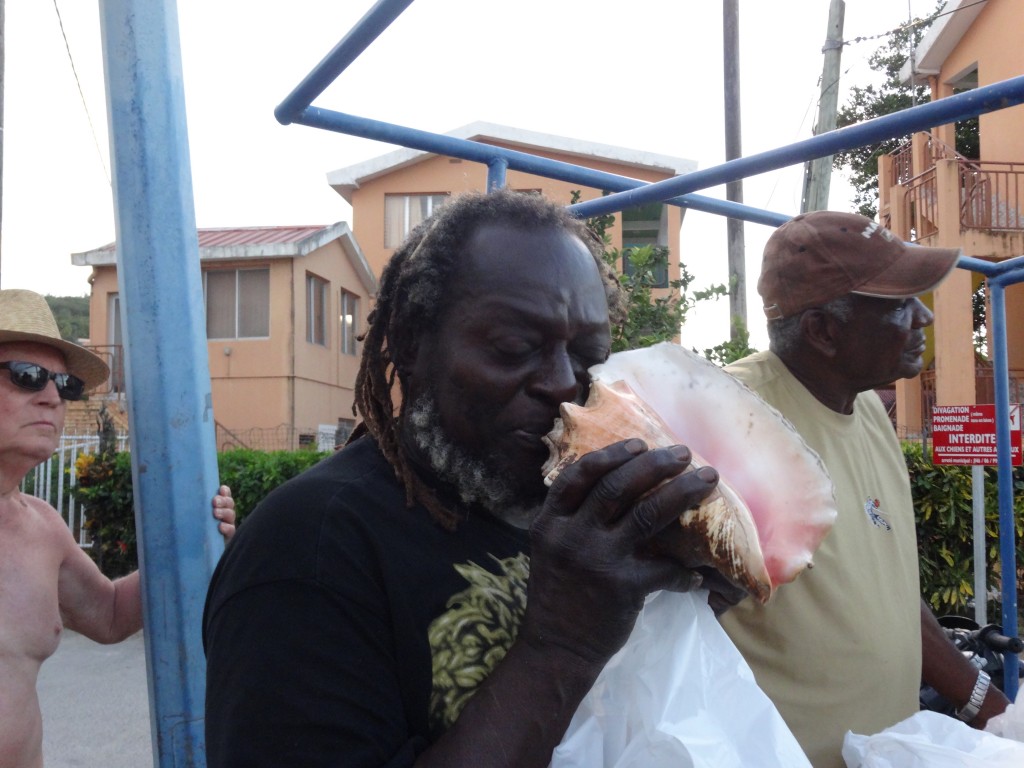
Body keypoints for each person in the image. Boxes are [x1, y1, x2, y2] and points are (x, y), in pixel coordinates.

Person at [203, 189, 744, 767]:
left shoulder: (562, 514)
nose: (565, 384)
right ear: (411, 343)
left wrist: (674, 613)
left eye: (589, 356)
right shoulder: (307, 550)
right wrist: (562, 643)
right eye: (514, 347)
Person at [718, 211, 1011, 767]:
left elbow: (890, 596)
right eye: (900, 305)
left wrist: (992, 710)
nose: (923, 317)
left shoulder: (871, 410)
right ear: (823, 331)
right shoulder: (730, 417)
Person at [0, 288, 236, 768]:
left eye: (66, 385)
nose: (51, 398)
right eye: (28, 377)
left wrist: (200, 538)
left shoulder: (42, 528)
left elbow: (109, 615)